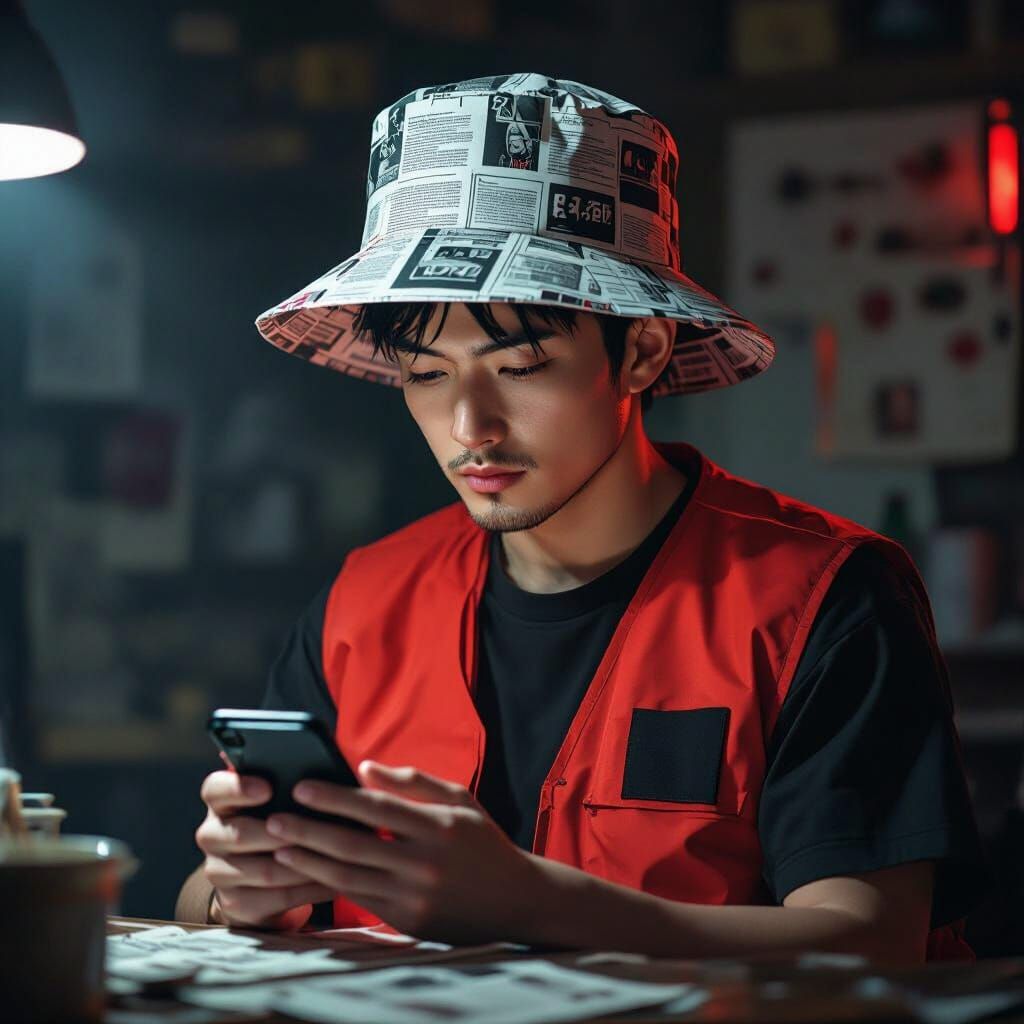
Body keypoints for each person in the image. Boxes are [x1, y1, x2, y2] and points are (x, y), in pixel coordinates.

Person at [176, 74, 986, 964]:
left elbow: (871, 942)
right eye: (427, 373)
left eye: (519, 367)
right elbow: (201, 902)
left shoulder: (822, 598)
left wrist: (532, 903)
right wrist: (237, 891)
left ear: (640, 350)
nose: (468, 427)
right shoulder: (366, 602)